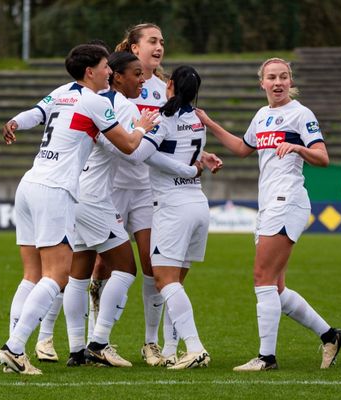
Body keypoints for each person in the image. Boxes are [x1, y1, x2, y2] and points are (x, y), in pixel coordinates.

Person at [0, 43, 158, 375]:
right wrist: (143, 126)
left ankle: (23, 345)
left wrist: (14, 121)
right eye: (104, 67)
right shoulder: (94, 101)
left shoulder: (63, 92)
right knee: (56, 276)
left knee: (32, 275)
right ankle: (14, 348)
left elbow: (33, 115)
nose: (109, 72)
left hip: (29, 184)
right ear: (90, 72)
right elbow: (128, 145)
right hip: (56, 191)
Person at [195, 57, 341, 371]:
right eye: (271, 77)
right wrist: (209, 123)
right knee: (276, 287)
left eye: (283, 77)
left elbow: (322, 157)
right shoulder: (262, 115)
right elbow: (242, 148)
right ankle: (330, 336)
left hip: (287, 201)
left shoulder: (301, 114)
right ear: (262, 83)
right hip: (269, 205)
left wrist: (297, 149)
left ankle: (266, 358)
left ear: (290, 82)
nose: (278, 83)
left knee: (262, 278)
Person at [87, 23, 221, 367]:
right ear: (134, 47)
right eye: (152, 41)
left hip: (150, 191)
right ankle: (88, 340)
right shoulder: (109, 90)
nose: (159, 47)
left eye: (162, 41)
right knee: (100, 265)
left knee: (153, 267)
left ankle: (151, 343)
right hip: (113, 188)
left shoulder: (162, 90)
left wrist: (196, 157)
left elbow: (170, 137)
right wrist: (190, 163)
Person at [63, 51, 200, 368]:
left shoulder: (93, 100)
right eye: (137, 74)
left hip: (81, 193)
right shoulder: (121, 105)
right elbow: (129, 149)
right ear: (117, 76)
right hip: (98, 197)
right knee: (126, 269)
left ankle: (76, 350)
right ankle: (98, 344)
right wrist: (140, 129)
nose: (143, 79)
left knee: (80, 271)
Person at [125, 65, 211, 369]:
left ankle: (196, 347)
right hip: (198, 203)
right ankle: (172, 349)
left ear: (169, 84)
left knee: (163, 281)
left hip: (173, 207)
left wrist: (138, 128)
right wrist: (193, 166)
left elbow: (137, 154)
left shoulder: (162, 119)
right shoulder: (198, 120)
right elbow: (188, 155)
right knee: (175, 284)